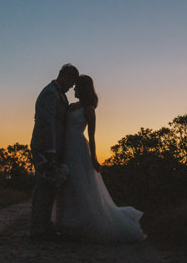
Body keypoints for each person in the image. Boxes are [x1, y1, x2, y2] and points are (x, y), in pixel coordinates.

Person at [54, 74, 146, 242]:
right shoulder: (72, 106)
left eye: (76, 87)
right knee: (70, 185)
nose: (74, 89)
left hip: (79, 148)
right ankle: (70, 226)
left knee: (81, 184)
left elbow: (92, 135)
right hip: (67, 147)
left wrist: (94, 158)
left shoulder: (89, 109)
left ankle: (86, 225)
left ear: (82, 88)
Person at [30, 63, 79, 240]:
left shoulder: (60, 95)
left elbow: (60, 117)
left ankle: (45, 226)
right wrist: (50, 150)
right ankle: (37, 229)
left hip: (54, 147)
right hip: (45, 147)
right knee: (43, 186)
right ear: (65, 76)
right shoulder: (50, 93)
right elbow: (47, 123)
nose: (71, 87)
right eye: (71, 82)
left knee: (50, 186)